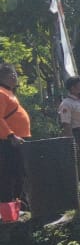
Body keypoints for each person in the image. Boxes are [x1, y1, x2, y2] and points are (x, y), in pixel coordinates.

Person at [0, 64, 31, 204]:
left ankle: (20, 202)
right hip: (10, 140)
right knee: (11, 172)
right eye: (13, 75)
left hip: (19, 138)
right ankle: (10, 204)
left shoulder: (9, 92)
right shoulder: (1, 93)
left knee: (20, 171)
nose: (15, 77)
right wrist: (11, 135)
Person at [58, 76, 80, 196]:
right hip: (77, 133)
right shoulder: (66, 104)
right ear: (72, 88)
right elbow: (66, 124)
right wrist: (71, 141)